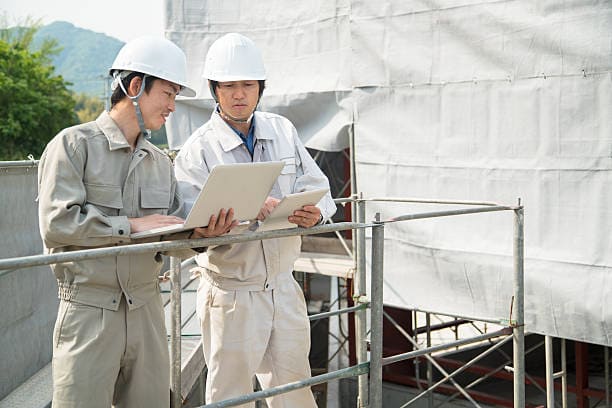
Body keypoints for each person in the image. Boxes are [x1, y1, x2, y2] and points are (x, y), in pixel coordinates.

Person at [37, 36, 235, 408]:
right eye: (169, 94)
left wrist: (202, 236)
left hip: (147, 308)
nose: (173, 106)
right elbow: (57, 223)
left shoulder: (161, 163)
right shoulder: (72, 145)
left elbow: (173, 233)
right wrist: (130, 225)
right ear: (134, 86)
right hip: (89, 310)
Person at [174, 32, 336, 407]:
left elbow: (319, 187)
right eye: (228, 86)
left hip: (283, 285)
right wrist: (216, 224)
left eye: (247, 84)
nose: (238, 94)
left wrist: (317, 213)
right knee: (231, 396)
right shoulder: (199, 149)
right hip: (231, 292)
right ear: (214, 90)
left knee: (294, 390)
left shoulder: (282, 130)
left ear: (260, 87)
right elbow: (186, 220)